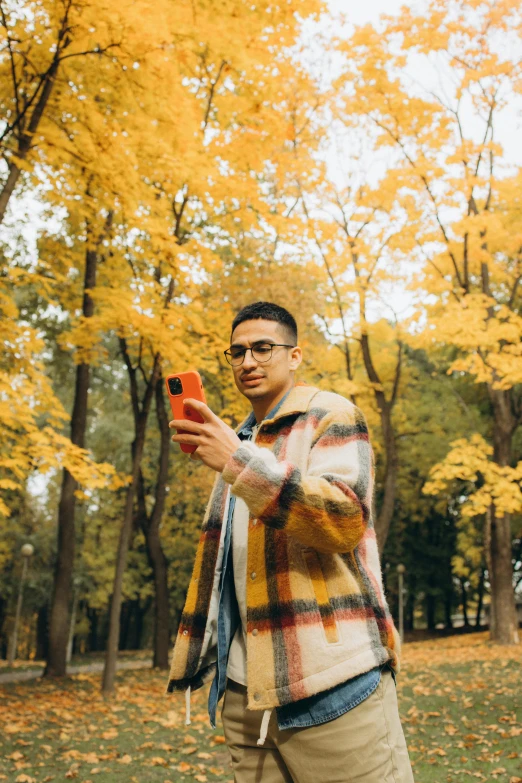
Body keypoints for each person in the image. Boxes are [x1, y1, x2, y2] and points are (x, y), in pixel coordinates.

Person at [166, 301, 414, 783]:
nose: (248, 362)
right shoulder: (239, 438)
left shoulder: (332, 415)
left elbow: (344, 519)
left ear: (294, 355)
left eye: (263, 348)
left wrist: (238, 461)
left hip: (331, 684)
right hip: (245, 695)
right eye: (236, 352)